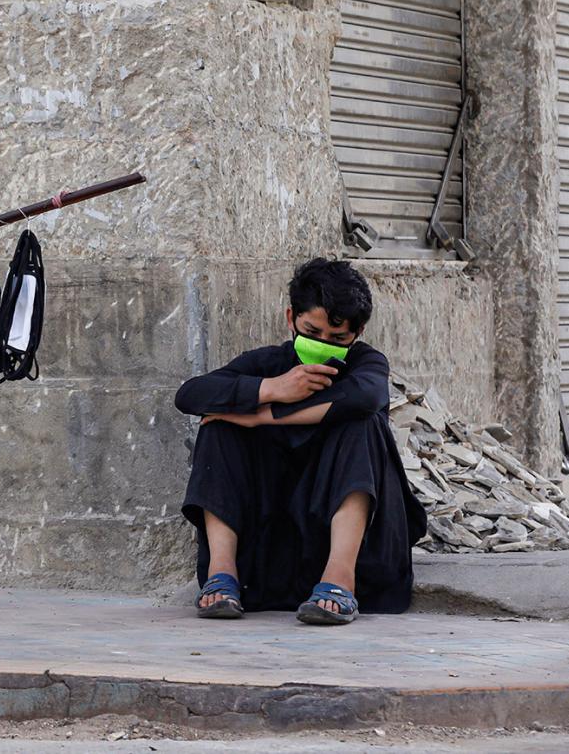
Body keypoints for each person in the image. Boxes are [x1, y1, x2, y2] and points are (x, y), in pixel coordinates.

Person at [174, 258, 427, 624]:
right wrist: (272, 388)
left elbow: (365, 397)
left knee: (362, 424)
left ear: (357, 334)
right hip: (269, 556)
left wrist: (264, 413)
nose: (323, 345)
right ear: (291, 318)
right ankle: (222, 574)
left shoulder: (364, 364)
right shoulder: (268, 363)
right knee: (219, 426)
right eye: (311, 331)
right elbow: (190, 394)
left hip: (357, 558)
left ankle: (340, 579)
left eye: (337, 339)